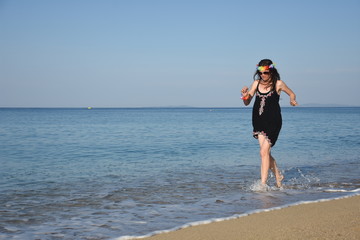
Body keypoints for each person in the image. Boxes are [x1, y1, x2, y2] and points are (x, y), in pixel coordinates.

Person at [241, 59, 297, 188]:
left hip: (273, 121)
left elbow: (292, 93)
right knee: (264, 152)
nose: (263, 75)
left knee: (263, 152)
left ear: (271, 71)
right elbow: (247, 102)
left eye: (266, 72)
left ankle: (263, 184)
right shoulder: (256, 83)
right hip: (258, 121)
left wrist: (292, 100)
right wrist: (245, 95)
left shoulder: (278, 84)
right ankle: (278, 175)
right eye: (261, 72)